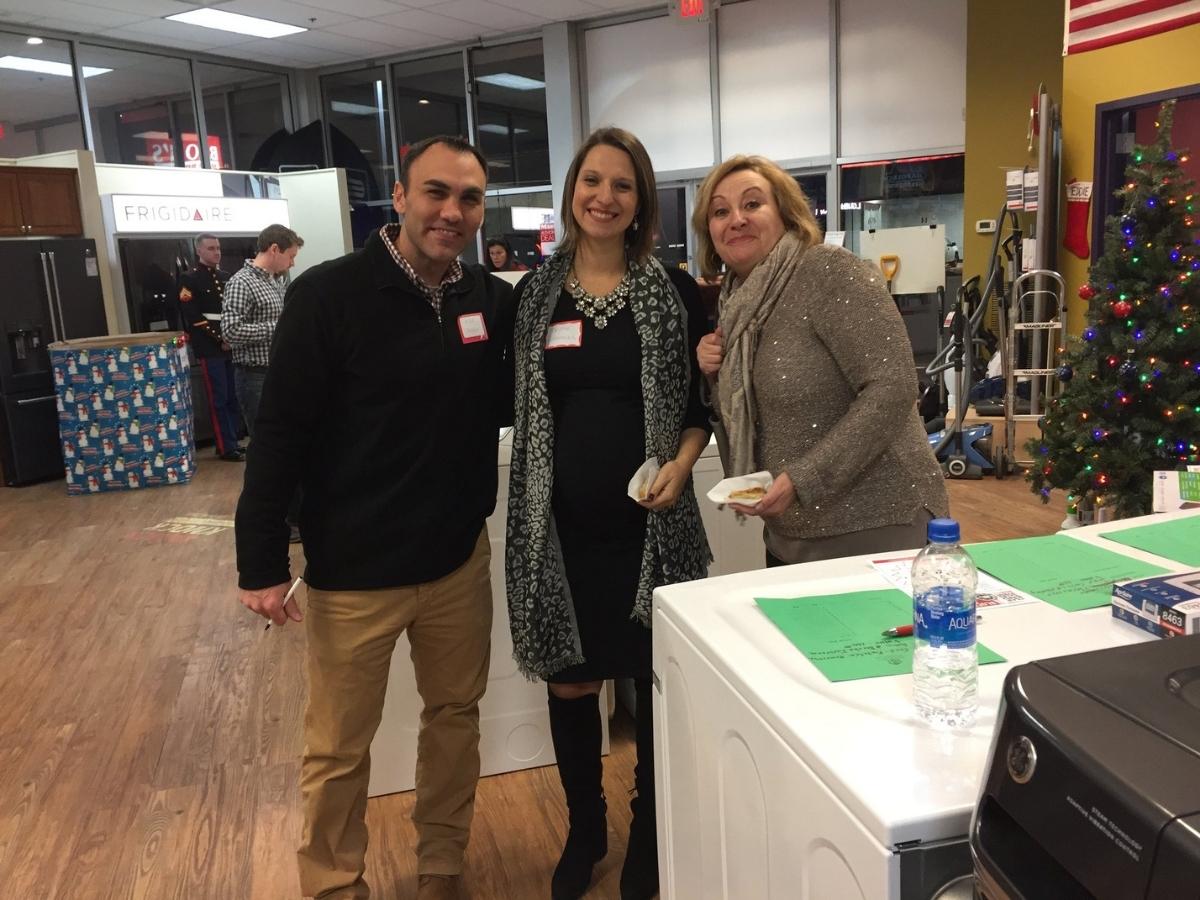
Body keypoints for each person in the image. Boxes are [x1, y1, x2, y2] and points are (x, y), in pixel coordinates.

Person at [234, 136, 512, 900]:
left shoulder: (489, 300)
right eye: (436, 192)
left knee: (454, 717)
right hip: (353, 570)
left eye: (468, 198)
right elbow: (280, 432)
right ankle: (332, 882)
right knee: (338, 746)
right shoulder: (329, 295)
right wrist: (261, 561)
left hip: (456, 562)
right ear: (399, 197)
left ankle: (442, 864)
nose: (451, 212)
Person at [505, 126, 711, 900]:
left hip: (650, 531)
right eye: (592, 181)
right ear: (572, 193)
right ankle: (585, 830)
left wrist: (682, 467)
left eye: (622, 184)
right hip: (557, 534)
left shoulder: (675, 291)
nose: (605, 196)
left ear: (641, 201)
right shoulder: (534, 297)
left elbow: (697, 411)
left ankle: (650, 832)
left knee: (653, 684)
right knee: (570, 684)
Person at [693, 155, 949, 566]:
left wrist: (804, 479)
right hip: (789, 534)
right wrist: (714, 375)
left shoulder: (827, 270)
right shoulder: (737, 307)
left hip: (876, 524)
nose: (736, 219)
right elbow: (754, 415)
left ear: (786, 213)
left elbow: (894, 385)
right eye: (720, 211)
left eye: (753, 204)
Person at [221, 223, 304, 438]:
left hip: (278, 370)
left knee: (285, 436)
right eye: (291, 256)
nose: (292, 263)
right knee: (265, 440)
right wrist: (279, 326)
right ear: (274, 249)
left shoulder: (276, 282)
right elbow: (230, 331)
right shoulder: (241, 282)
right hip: (254, 376)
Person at [179, 233, 242, 460]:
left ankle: (233, 440)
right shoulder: (189, 279)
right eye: (211, 248)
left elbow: (233, 311)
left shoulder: (226, 277)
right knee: (219, 398)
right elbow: (193, 316)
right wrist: (219, 339)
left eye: (218, 248)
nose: (217, 252)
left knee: (233, 396)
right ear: (199, 251)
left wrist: (231, 338)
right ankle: (226, 446)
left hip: (230, 344)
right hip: (210, 346)